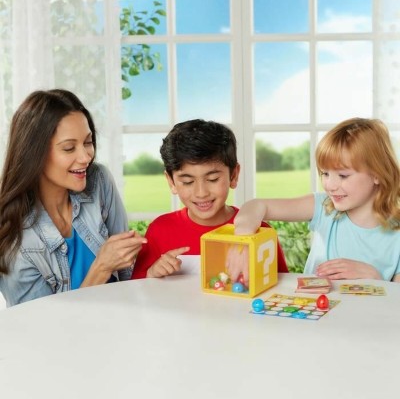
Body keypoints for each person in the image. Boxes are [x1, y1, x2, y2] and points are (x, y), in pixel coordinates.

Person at [0, 89, 147, 306]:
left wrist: (151, 272)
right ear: (35, 154)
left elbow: (128, 273)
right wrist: (101, 268)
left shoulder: (99, 181)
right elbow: (41, 324)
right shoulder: (15, 242)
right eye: (69, 148)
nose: (86, 157)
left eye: (88, 142)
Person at [230, 117, 400, 284]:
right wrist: (243, 240)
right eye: (325, 173)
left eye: (343, 175)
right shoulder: (324, 206)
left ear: (377, 174)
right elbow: (258, 205)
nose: (330, 185)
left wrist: (375, 277)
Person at [131, 119, 288, 279]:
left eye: (213, 179)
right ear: (171, 182)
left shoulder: (259, 231)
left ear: (234, 175)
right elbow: (135, 289)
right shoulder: (159, 231)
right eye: (188, 181)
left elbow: (283, 286)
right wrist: (152, 273)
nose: (201, 193)